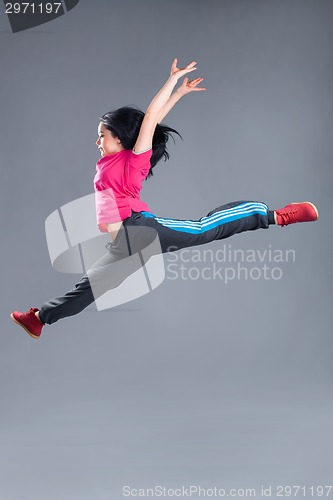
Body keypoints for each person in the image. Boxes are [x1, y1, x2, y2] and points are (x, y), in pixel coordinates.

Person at [11, 59, 319, 339]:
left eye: (102, 135)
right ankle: (39, 318)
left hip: (138, 229)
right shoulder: (105, 164)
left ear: (119, 137)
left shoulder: (133, 162)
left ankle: (275, 215)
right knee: (89, 288)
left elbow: (152, 117)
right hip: (123, 246)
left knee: (204, 228)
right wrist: (179, 92)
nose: (98, 141)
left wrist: (174, 85)